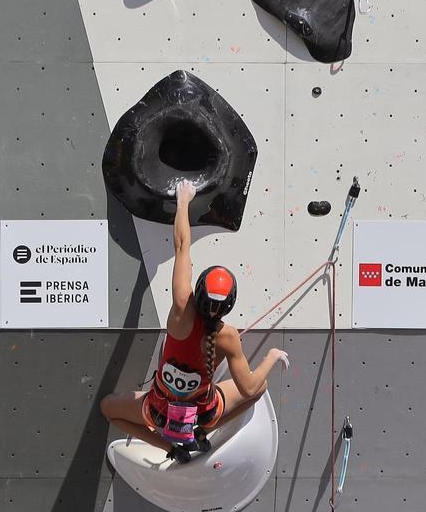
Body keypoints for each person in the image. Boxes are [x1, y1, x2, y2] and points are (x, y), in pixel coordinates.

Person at [100, 179, 289, 460]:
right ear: (228, 305)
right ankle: (201, 433)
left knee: (108, 407)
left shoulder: (180, 311)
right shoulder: (228, 336)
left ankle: (170, 448)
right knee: (260, 388)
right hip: (204, 412)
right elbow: (249, 388)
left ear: (198, 293)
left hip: (158, 411)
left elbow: (181, 246)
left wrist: (184, 200)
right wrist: (271, 357)